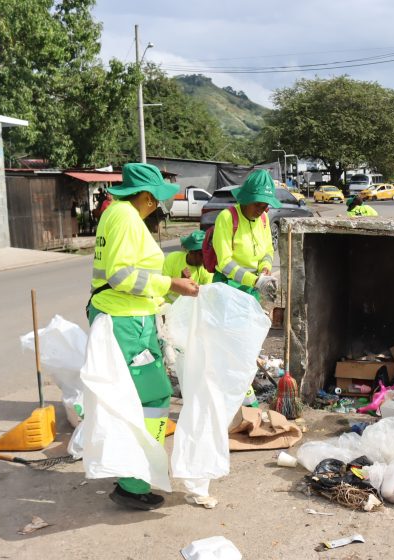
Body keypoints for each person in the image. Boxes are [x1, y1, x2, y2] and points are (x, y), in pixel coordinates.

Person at [88, 162, 199, 511]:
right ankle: (133, 479)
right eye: (159, 199)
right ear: (149, 197)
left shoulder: (120, 215)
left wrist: (167, 292)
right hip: (125, 320)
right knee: (151, 397)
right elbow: (122, 275)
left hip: (129, 317)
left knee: (144, 398)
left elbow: (130, 275)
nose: (161, 206)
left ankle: (137, 470)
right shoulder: (124, 216)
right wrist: (170, 284)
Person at [212, 169, 278, 302]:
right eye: (257, 204)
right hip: (228, 286)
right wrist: (254, 280)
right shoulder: (227, 217)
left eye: (264, 206)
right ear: (245, 200)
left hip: (253, 286)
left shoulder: (264, 218)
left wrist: (265, 268)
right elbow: (225, 262)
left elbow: (268, 250)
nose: (260, 210)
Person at [162, 229, 212, 303]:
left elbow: (205, 296)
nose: (204, 259)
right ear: (191, 252)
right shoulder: (172, 258)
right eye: (202, 255)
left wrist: (187, 283)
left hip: (191, 307)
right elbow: (162, 287)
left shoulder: (207, 269)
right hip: (168, 305)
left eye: (206, 254)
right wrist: (180, 283)